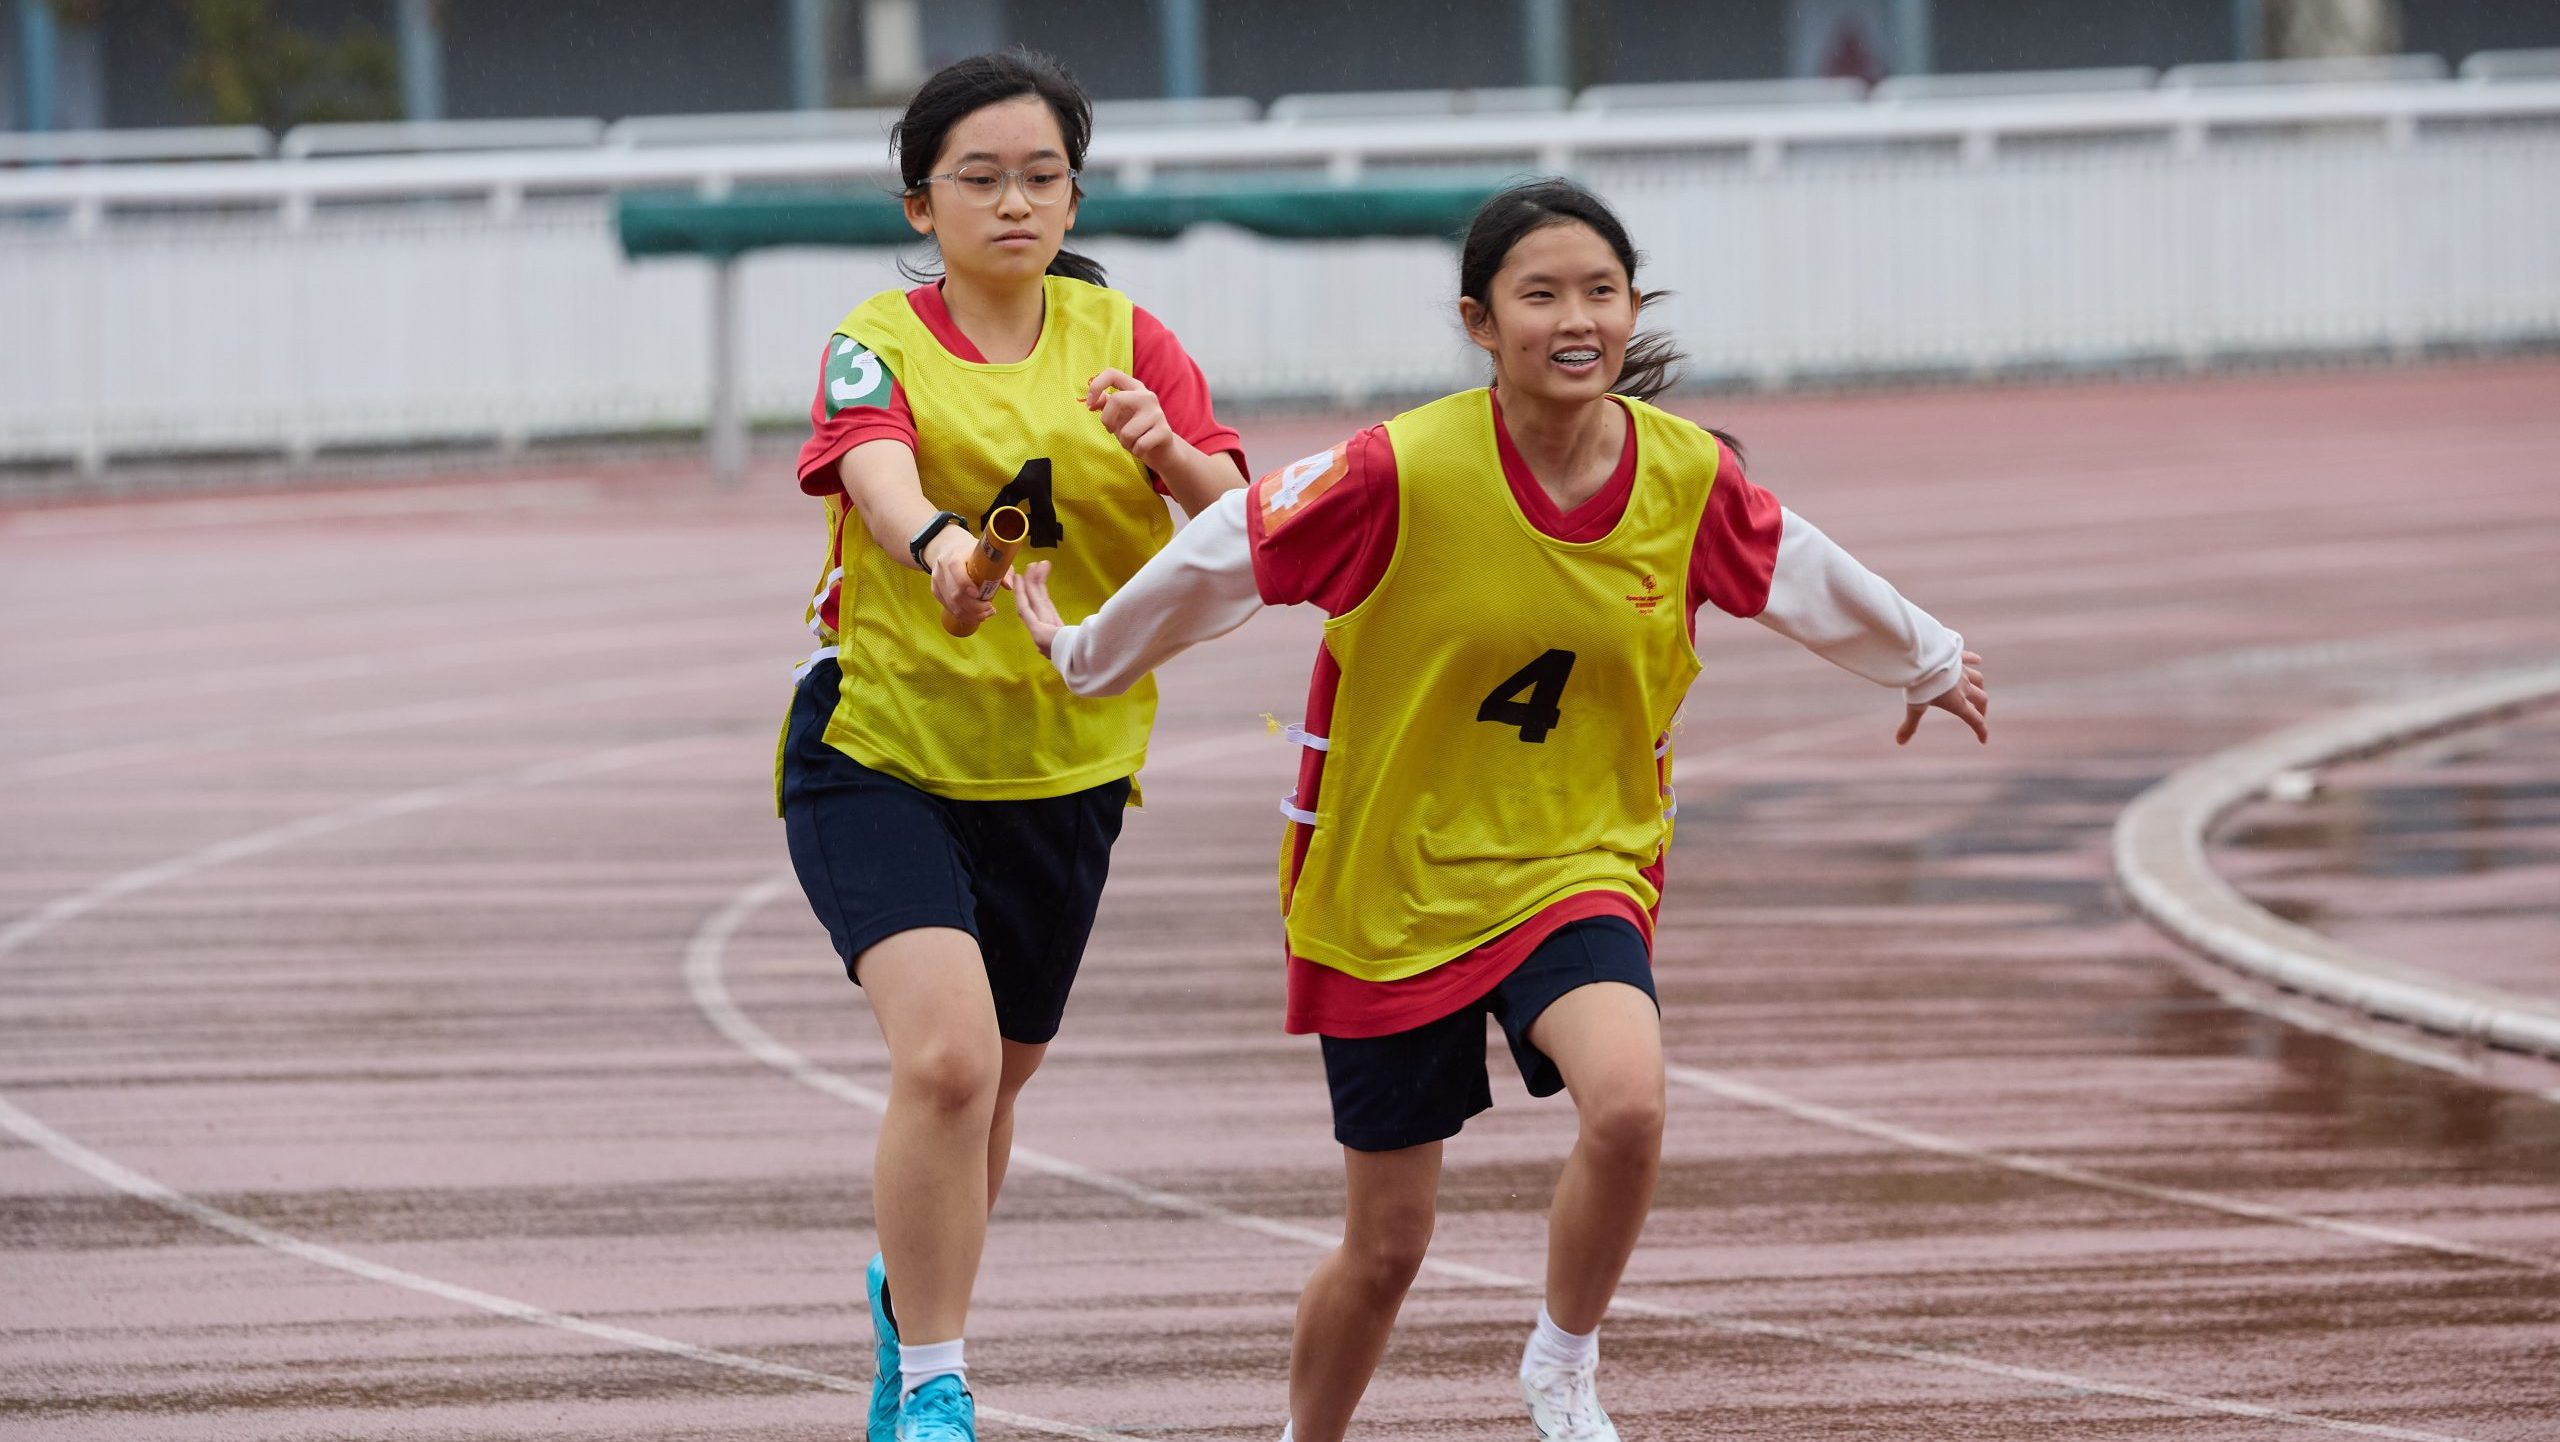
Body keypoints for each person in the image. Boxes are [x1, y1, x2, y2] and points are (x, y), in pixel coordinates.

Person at [1011, 178, 1989, 1442]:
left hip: (1577, 859)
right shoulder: (1397, 469)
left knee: (1628, 1102)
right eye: (1541, 295)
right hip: (1390, 881)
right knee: (1386, 1246)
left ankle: (1562, 1365)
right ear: (1480, 321)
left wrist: (1926, 657)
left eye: (1601, 292)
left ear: (1632, 309)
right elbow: (1228, 548)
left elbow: (1801, 567)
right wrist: (1087, 650)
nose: (1576, 319)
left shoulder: (1685, 480)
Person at [776, 48, 1246, 1442]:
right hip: (880, 747)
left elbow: (1240, 522)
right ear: (921, 204)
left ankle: (907, 1289)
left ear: (1075, 196)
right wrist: (940, 550)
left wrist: (1170, 450)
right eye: (978, 178)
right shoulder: (876, 338)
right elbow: (875, 473)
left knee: (994, 1089)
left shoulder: (1132, 342)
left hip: (1064, 765)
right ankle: (935, 1383)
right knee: (948, 1062)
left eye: (1042, 176)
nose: (1015, 201)